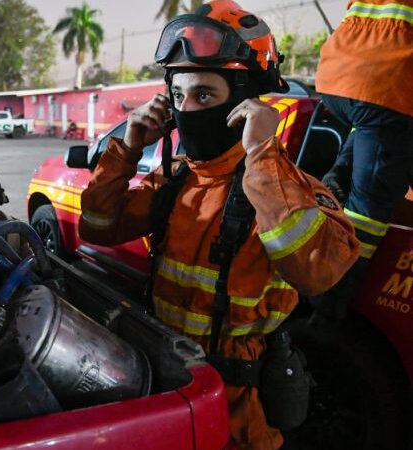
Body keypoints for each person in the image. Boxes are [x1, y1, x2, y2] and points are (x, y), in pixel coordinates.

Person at [78, 1, 360, 449]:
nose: (187, 110)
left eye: (204, 95)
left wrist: (262, 154)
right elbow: (97, 225)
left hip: (239, 414)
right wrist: (125, 149)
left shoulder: (288, 189)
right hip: (165, 390)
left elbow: (317, 272)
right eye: (177, 96)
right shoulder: (173, 182)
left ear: (247, 101)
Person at [312, 0, 413, 321]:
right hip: (384, 83)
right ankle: (329, 305)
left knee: (375, 135)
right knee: (370, 208)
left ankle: (332, 191)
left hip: (340, 76)